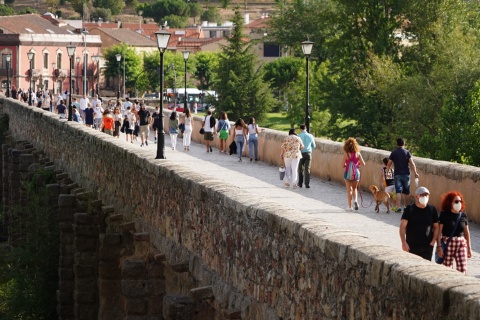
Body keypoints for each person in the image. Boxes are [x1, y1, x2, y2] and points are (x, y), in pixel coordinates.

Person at [399, 187, 439, 260]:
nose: (425, 197)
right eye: (422, 195)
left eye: (426, 195)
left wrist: (433, 242)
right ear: (416, 196)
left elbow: (436, 227)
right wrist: (403, 242)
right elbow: (402, 226)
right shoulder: (410, 209)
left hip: (427, 247)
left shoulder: (432, 209)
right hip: (411, 246)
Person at [437, 191, 472, 274]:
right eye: (456, 201)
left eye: (460, 201)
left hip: (461, 243)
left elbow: (467, 232)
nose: (459, 203)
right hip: (448, 243)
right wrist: (439, 246)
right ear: (450, 203)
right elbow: (439, 232)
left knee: (462, 268)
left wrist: (469, 248)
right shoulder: (444, 214)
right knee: (447, 269)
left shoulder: (463, 215)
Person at [386, 138, 419, 213]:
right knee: (406, 192)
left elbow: (389, 164)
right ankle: (406, 207)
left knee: (398, 191)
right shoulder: (407, 152)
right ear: (404, 144)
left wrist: (387, 173)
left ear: (397, 144)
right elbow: (412, 163)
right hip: (406, 174)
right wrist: (415, 173)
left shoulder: (394, 153)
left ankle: (398, 207)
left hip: (397, 174)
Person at [342, 137, 366, 211]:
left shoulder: (346, 154)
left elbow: (342, 165)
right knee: (355, 188)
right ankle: (356, 201)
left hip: (347, 174)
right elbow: (363, 164)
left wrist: (347, 165)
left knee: (349, 190)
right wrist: (357, 163)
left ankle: (350, 207)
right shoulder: (358, 154)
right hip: (356, 174)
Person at [297, 124, 316, 188]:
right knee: (307, 169)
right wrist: (309, 149)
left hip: (301, 153)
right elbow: (314, 146)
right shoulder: (310, 136)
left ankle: (300, 183)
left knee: (300, 169)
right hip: (308, 153)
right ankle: (307, 184)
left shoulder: (298, 136)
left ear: (300, 129)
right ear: (306, 128)